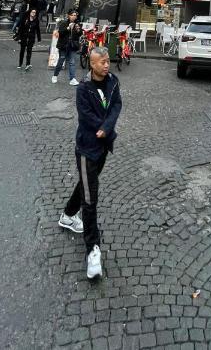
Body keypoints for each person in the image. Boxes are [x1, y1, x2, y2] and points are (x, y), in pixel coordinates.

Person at [58, 46, 122, 279]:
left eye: (107, 61)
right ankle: (93, 250)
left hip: (103, 145)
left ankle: (67, 215)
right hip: (87, 147)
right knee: (90, 197)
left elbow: (116, 104)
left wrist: (107, 128)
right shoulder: (84, 88)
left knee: (87, 182)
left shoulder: (113, 81)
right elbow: (85, 115)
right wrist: (101, 128)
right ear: (92, 64)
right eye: (102, 62)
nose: (107, 65)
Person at [52, 9, 83, 86]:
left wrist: (78, 30)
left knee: (72, 62)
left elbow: (79, 34)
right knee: (61, 61)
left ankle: (72, 79)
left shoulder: (77, 24)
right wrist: (68, 28)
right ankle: (55, 75)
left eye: (75, 15)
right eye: (72, 15)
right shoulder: (64, 23)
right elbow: (61, 33)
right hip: (64, 46)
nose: (74, 17)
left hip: (72, 46)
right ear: (69, 16)